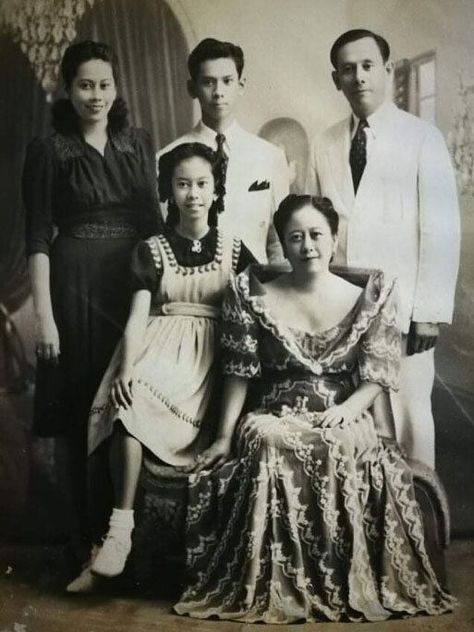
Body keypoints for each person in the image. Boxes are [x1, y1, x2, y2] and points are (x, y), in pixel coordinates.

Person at [174, 194, 455, 623]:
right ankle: (281, 585)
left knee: (339, 440)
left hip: (345, 411)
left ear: (334, 239)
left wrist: (349, 410)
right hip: (274, 411)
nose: (308, 246)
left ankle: (339, 583)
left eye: (317, 235)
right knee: (268, 440)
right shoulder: (253, 294)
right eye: (296, 237)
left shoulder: (370, 295)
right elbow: (239, 373)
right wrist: (226, 436)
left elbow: (377, 375)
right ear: (283, 246)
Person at [84, 142, 255, 580]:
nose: (193, 194)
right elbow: (138, 315)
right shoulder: (152, 249)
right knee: (128, 399)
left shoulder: (235, 250)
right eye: (182, 185)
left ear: (216, 190)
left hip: (207, 359)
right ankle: (119, 528)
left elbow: (259, 308)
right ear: (169, 191)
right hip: (154, 347)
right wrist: (125, 367)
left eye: (202, 184)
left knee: (145, 399)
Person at [22, 40, 161, 565]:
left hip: (130, 285)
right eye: (85, 85)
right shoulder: (49, 149)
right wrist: (46, 319)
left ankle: (126, 539)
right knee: (82, 406)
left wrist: (155, 296)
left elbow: (153, 225)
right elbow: (37, 238)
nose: (96, 95)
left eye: (104, 84)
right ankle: (85, 540)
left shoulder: (138, 143)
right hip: (72, 288)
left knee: (127, 406)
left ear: (117, 88)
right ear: (67, 88)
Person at [306, 29, 460, 468]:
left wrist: (427, 312)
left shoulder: (421, 138)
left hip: (403, 306)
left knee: (410, 412)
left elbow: (440, 230)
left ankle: (419, 517)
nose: (359, 77)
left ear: (388, 71)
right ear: (336, 79)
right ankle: (369, 517)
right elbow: (319, 227)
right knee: (353, 414)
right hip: (343, 307)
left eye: (368, 66)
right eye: (348, 70)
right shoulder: (325, 143)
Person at [157, 38, 290, 263]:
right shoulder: (166, 158)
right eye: (208, 82)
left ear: (241, 85)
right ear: (192, 88)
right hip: (193, 285)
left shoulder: (270, 157)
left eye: (227, 81)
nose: (218, 92)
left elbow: (278, 242)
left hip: (253, 285)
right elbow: (164, 235)